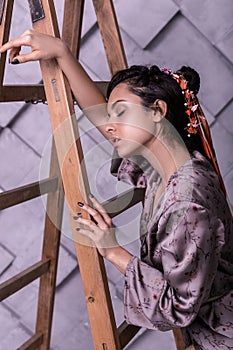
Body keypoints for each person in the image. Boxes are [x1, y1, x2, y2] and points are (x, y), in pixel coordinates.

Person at [1, 30, 233, 350]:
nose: (110, 124)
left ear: (157, 111)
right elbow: (106, 124)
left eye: (120, 112)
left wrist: (111, 249)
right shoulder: (169, 167)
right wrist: (63, 54)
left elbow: (176, 308)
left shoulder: (187, 203)